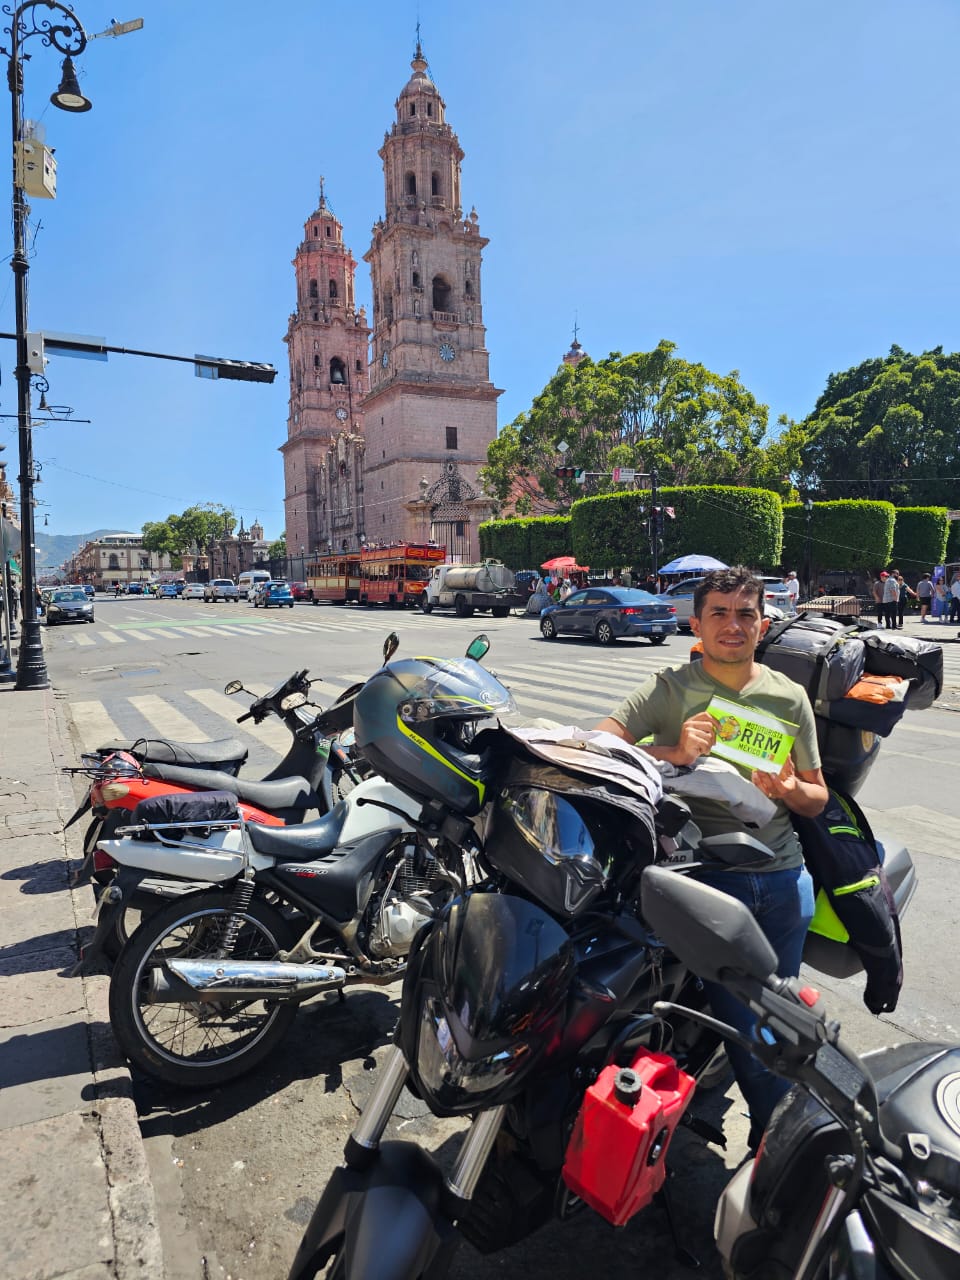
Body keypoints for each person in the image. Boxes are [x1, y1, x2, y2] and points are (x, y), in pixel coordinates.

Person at [595, 566, 827, 1150]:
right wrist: (673, 750)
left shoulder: (787, 695)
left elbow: (818, 793)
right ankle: (780, 1142)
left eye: (745, 613)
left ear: (763, 624)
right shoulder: (669, 688)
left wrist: (789, 790)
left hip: (779, 877)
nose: (732, 624)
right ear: (695, 624)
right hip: (703, 879)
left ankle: (780, 1145)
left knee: (774, 1017)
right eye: (718, 613)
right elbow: (599, 742)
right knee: (751, 1026)